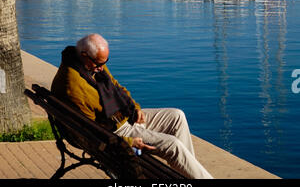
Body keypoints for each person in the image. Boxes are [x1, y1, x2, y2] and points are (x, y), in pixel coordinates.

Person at [51, 33, 213, 179]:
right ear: (85, 55)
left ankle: (186, 175)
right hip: (116, 132)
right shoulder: (73, 86)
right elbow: (92, 132)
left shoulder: (88, 65)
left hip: (121, 117)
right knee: (173, 145)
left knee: (177, 116)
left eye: (105, 62)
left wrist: (133, 107)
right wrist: (129, 142)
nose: (102, 68)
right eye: (99, 63)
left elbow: (116, 86)